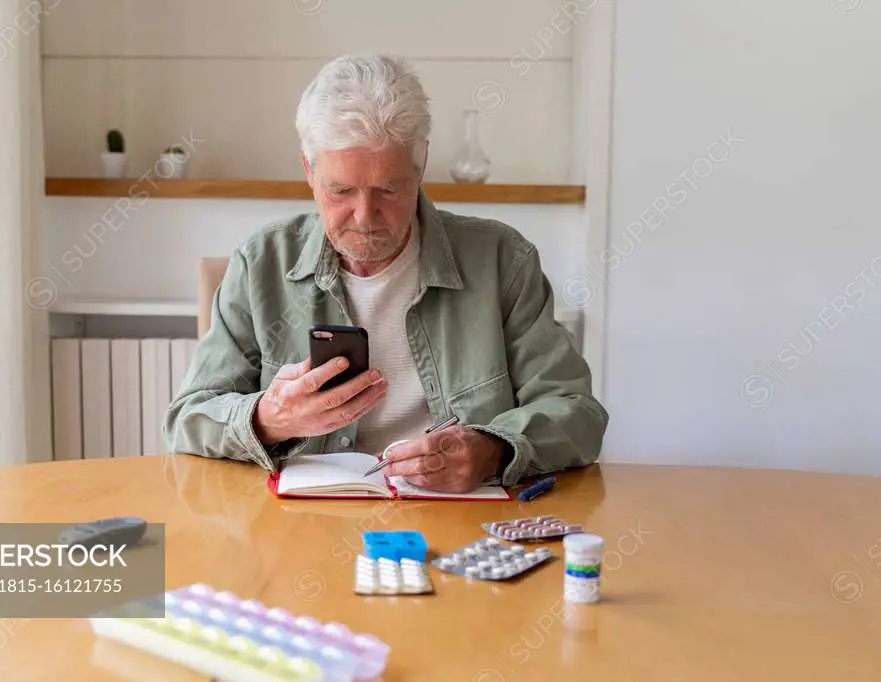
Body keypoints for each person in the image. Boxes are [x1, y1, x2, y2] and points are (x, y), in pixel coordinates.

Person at [163, 53, 609, 494]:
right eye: (340, 190)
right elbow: (188, 419)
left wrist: (492, 449)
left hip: (459, 518)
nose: (364, 216)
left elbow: (576, 412)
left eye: (389, 189)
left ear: (421, 165)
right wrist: (268, 418)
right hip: (303, 525)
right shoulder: (261, 263)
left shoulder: (502, 260)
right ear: (309, 170)